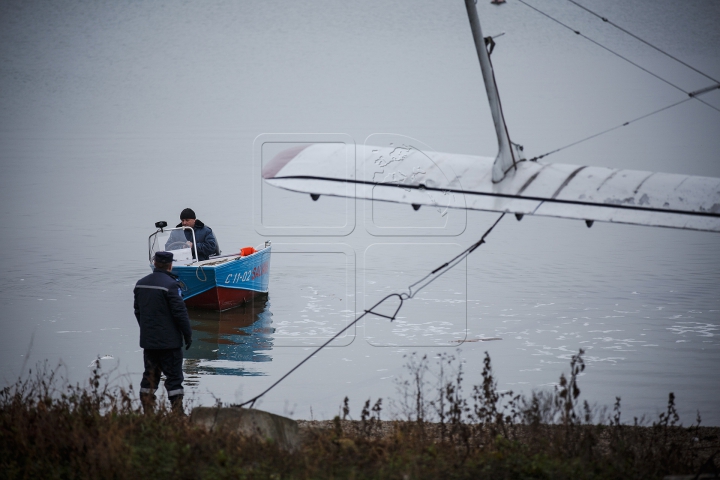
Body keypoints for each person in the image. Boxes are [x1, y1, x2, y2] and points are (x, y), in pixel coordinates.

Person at [134, 251, 193, 414]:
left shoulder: (140, 284)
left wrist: (147, 330)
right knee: (174, 379)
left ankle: (148, 413)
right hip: (170, 343)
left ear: (154, 263)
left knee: (150, 377)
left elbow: (137, 311)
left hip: (149, 342)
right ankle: (178, 414)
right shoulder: (171, 285)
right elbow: (180, 313)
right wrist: (187, 334)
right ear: (170, 265)